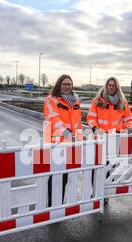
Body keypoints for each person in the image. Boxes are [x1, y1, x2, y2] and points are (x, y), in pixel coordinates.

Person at [43, 74, 82, 207]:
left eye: (69, 84)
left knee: (65, 175)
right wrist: (65, 132)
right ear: (59, 84)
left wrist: (79, 140)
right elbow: (53, 119)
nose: (67, 87)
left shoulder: (75, 102)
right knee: (54, 174)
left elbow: (78, 124)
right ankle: (51, 204)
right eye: (64, 84)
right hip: (56, 142)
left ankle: (58, 203)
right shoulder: (51, 100)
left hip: (71, 143)